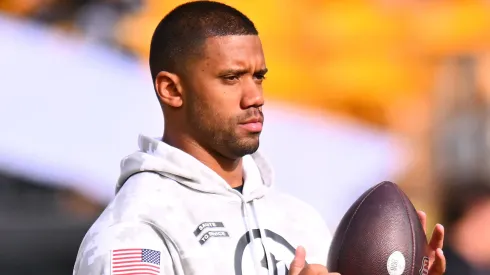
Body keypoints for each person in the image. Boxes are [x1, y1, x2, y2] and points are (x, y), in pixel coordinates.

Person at [73, 1, 446, 274]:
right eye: (231, 78)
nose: (255, 97)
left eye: (259, 77)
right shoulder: (137, 230)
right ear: (172, 89)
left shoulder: (301, 219)